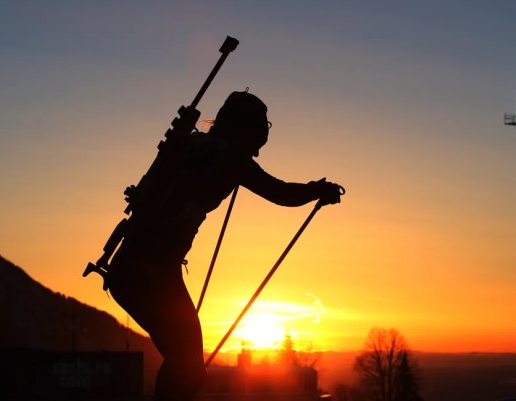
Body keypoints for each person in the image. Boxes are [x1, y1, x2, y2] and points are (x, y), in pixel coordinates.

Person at [106, 91, 343, 401]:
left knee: (185, 365)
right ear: (245, 130)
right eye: (257, 139)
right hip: (155, 276)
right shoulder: (230, 158)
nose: (256, 151)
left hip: (129, 265)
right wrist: (318, 191)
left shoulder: (189, 144)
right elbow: (280, 192)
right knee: (188, 368)